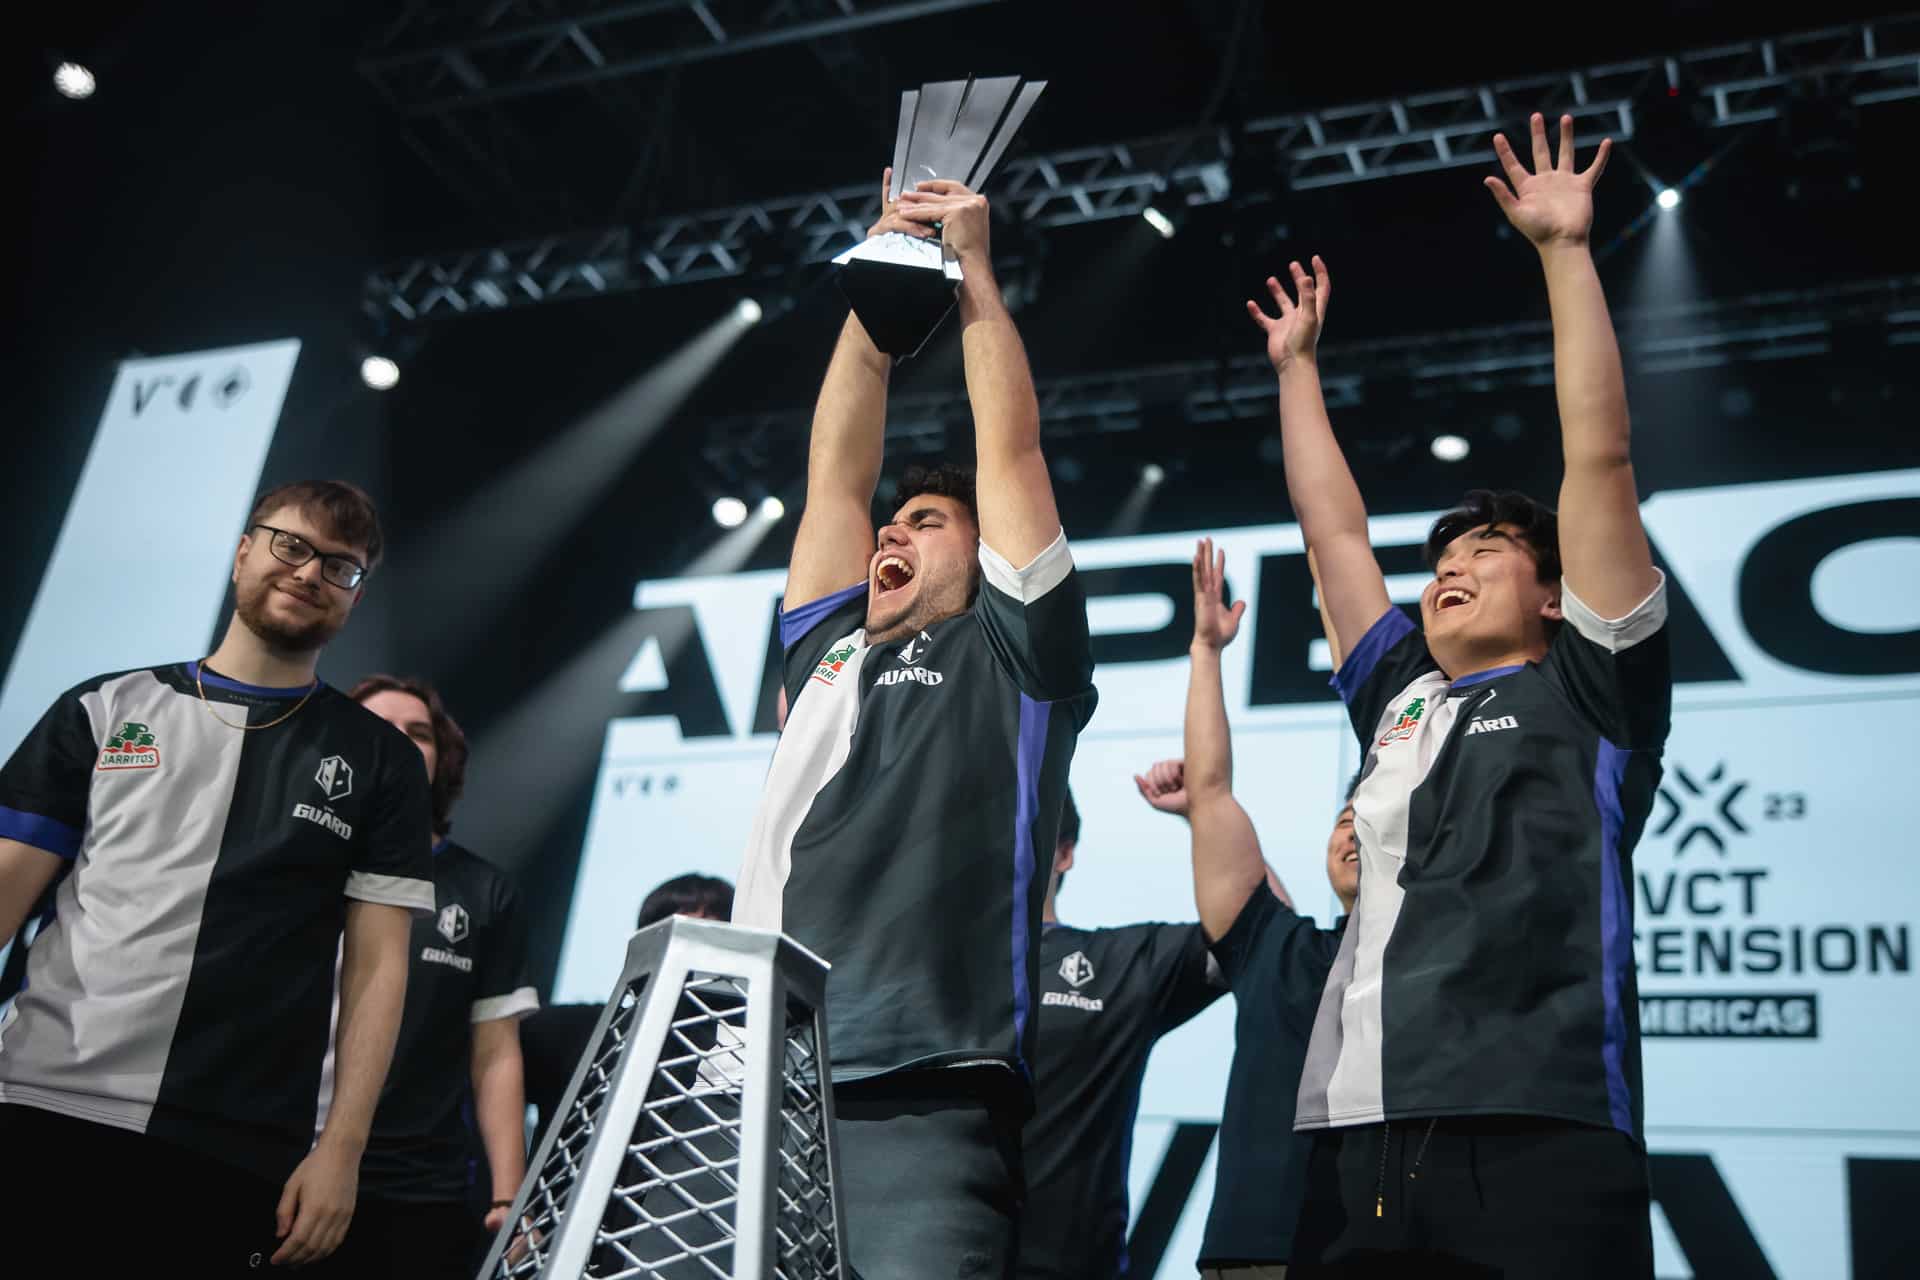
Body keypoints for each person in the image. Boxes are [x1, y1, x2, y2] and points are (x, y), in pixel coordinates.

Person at [1246, 115, 1668, 1275]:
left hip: (1541, 1123)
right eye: (1444, 553)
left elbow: (1600, 459)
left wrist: (1565, 252)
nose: (1452, 566)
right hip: (1355, 1133)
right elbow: (1331, 528)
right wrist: (1296, 371)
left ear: (1555, 595)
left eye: (1487, 548)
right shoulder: (1401, 695)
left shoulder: (1594, 680)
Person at [732, 167, 1097, 1278]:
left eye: (927, 520)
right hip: (758, 1083)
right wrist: (880, 291)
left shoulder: (1014, 649)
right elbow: (835, 479)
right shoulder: (830, 649)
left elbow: (1013, 452)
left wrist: (974, 274)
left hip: (926, 1087)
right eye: (895, 520)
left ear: (984, 558)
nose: (892, 528)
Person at [0, 480, 434, 1273]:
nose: (309, 574)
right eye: (291, 545)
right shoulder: (100, 708)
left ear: (355, 596)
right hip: (46, 1104)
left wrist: (342, 1148)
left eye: (341, 567)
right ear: (243, 550)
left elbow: (379, 968)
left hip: (236, 1145)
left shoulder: (382, 761)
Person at [1136, 541, 1358, 1280]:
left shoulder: (1439, 952)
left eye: (1376, 817)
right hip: (1253, 1252)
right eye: (1344, 818)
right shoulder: (1285, 952)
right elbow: (1216, 790)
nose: (1354, 831)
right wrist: (1205, 652)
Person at [318, 675, 538, 1278]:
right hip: (278, 1161)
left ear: (443, 759)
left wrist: (507, 1196)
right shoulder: (297, 857)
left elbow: (496, 1052)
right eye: (379, 728)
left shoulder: (483, 890)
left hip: (418, 1191)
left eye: (418, 734)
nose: (400, 743)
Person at [1015, 787, 1224, 1280]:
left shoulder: (1118, 964)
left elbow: (1262, 935)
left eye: (1023, 830)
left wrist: (1208, 812)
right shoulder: (925, 968)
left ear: (1064, 853)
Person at [519, 872, 735, 1144]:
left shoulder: (743, 1051)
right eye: (681, 935)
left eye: (713, 937)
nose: (693, 957)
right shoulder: (573, 1031)